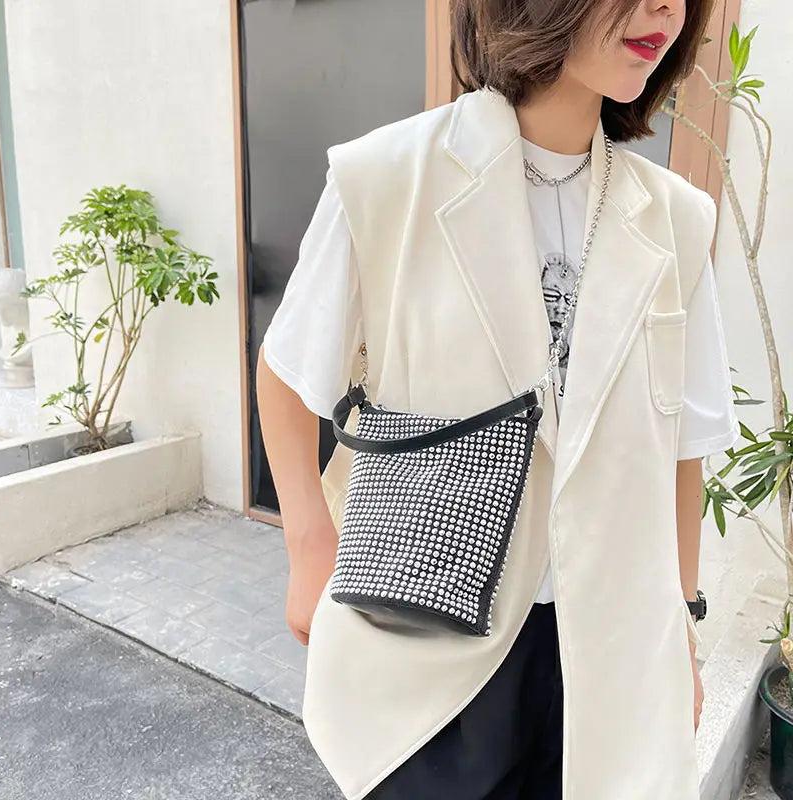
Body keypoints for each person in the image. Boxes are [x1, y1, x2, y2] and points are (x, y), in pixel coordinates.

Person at [255, 0, 740, 797]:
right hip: (433, 642)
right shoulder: (390, 176)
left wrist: (681, 629)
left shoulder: (677, 220)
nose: (666, 6)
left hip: (606, 656)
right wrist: (310, 550)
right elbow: (286, 370)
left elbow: (682, 447)